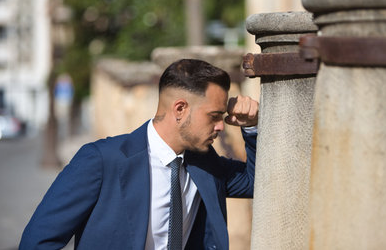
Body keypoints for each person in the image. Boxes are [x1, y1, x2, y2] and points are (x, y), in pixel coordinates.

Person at [19, 59, 258, 250]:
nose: (221, 126)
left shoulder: (205, 164)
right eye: (214, 116)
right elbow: (39, 241)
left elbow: (256, 183)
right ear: (180, 109)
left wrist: (251, 127)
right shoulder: (101, 160)